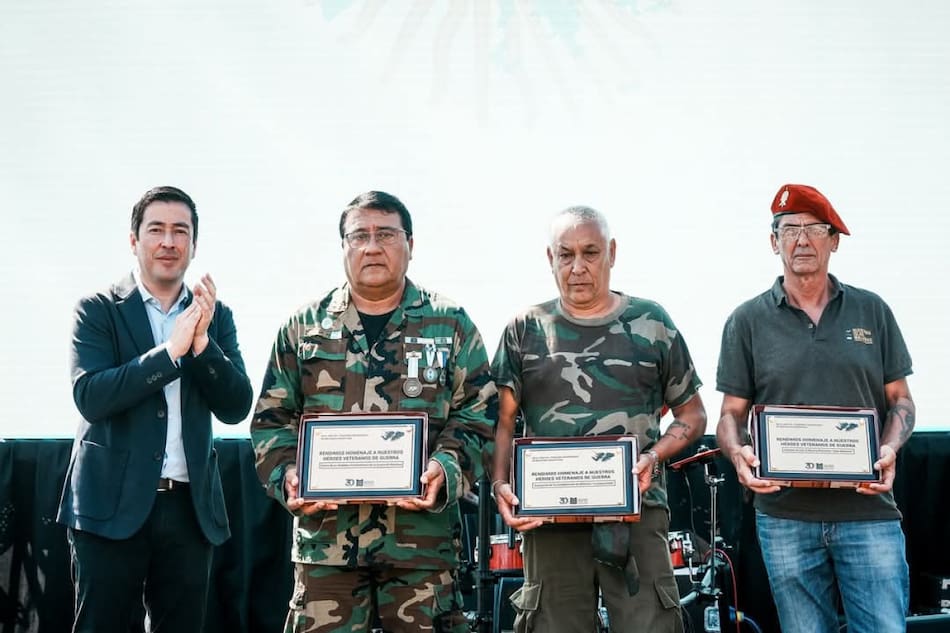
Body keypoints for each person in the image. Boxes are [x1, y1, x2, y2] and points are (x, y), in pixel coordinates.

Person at [250, 190, 497, 633]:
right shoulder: (303, 328)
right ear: (343, 246)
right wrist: (288, 475)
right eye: (359, 236)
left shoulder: (450, 324)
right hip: (327, 547)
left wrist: (444, 469)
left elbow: (479, 414)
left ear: (410, 244)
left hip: (421, 547)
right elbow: (272, 420)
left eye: (386, 234)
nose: (372, 246)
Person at [491, 205, 707, 633]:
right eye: (565, 254)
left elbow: (693, 414)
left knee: (651, 626)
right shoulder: (524, 329)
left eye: (590, 252)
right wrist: (500, 485)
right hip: (548, 519)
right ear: (550, 258)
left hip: (637, 513)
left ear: (612, 252)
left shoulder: (651, 323)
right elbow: (501, 422)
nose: (578, 267)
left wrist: (654, 457)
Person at [716, 184, 915, 633]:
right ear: (774, 242)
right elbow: (730, 415)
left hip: (867, 512)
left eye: (814, 229)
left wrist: (888, 448)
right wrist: (738, 455)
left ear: (834, 241)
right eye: (789, 230)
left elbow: (900, 401)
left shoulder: (872, 311)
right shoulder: (747, 321)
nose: (801, 240)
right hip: (785, 517)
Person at [57, 185, 254, 633]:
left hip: (188, 508)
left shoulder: (215, 316)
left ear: (194, 245)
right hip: (108, 506)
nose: (169, 241)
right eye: (156, 230)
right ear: (134, 240)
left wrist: (201, 346)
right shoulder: (98, 310)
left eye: (180, 231)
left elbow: (236, 406)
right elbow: (91, 395)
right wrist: (169, 353)